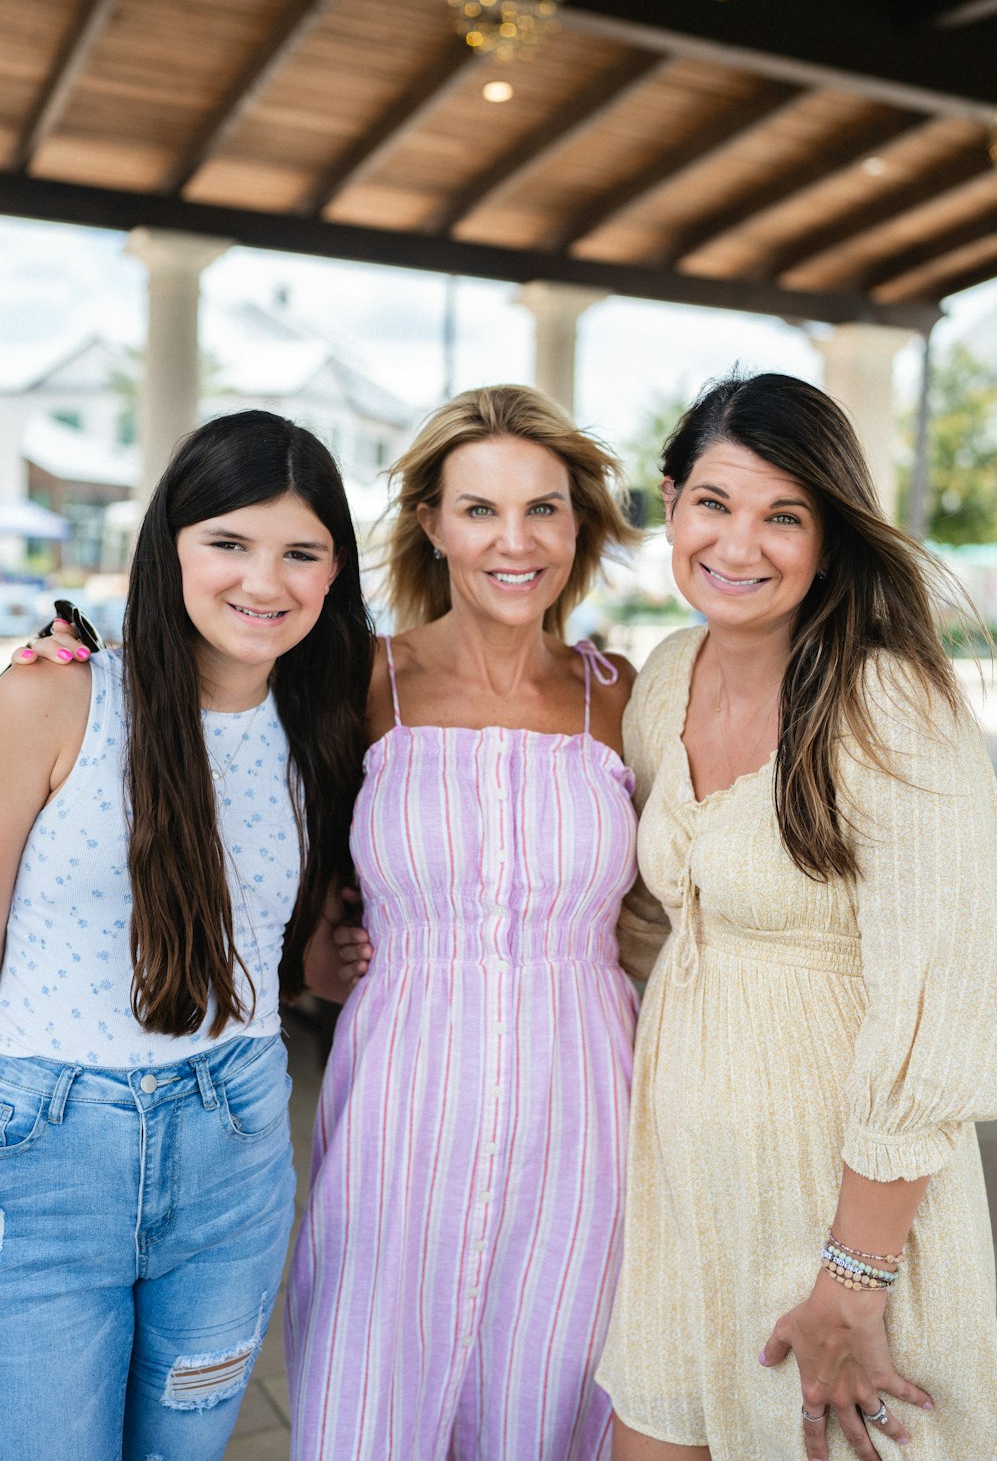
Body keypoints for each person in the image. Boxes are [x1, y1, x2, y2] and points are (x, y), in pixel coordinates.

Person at [595, 373, 997, 1461]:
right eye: (714, 503)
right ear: (669, 504)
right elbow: (645, 917)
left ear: (830, 538)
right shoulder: (663, 677)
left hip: (842, 1218)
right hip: (681, 1193)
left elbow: (942, 1009)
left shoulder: (890, 712)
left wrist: (853, 1283)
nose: (740, 543)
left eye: (786, 516)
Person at [0, 410, 373, 1461]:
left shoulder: (321, 728)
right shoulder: (56, 689)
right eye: (229, 543)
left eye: (301, 552)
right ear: (170, 547)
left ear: (333, 571)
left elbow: (278, 939)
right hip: (44, 1149)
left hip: (234, 1149)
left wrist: (327, 962)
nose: (266, 580)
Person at [284, 384, 643, 1459]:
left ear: (577, 525)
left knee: (551, 1399)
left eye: (543, 508)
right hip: (401, 1108)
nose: (514, 539)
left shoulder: (620, 692)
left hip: (586, 1116)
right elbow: (280, 844)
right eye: (479, 509)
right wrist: (312, 949)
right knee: (370, 1399)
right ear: (433, 524)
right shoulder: (360, 677)